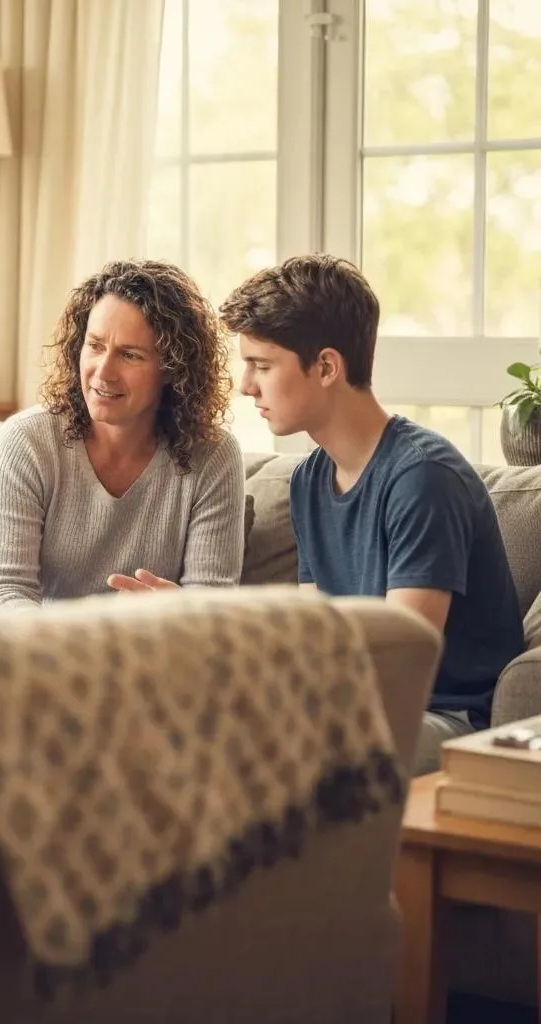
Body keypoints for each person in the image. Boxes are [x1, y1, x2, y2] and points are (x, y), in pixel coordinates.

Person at [220, 253, 525, 774]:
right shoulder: (309, 480)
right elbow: (320, 641)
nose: (246, 385)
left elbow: (401, 664)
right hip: (360, 709)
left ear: (326, 367)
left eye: (262, 365)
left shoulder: (423, 477)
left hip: (446, 718)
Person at [0, 259, 246, 611]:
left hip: (155, 643)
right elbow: (2, 592)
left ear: (172, 368)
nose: (103, 372)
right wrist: (80, 639)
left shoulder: (213, 456)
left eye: (130, 355)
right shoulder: (27, 440)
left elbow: (213, 609)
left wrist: (177, 610)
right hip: (41, 643)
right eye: (95, 346)